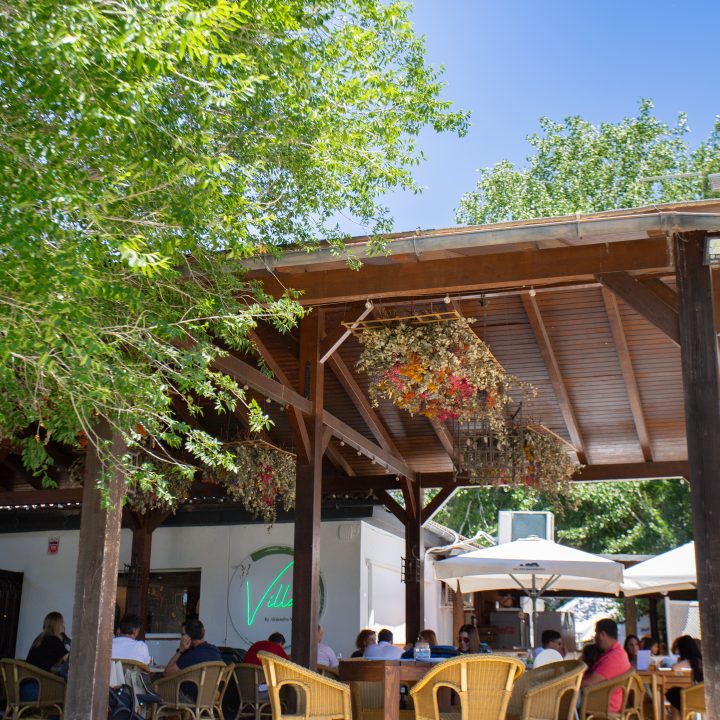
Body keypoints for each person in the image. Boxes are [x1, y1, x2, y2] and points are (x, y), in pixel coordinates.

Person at [581, 618, 631, 713]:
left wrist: (570, 684)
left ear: (602, 634)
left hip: (604, 703)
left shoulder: (613, 658)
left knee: (563, 697)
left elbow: (588, 683)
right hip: (604, 699)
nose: (594, 637)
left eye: (596, 633)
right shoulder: (616, 652)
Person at [665, 635, 702, 720]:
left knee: (673, 693)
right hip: (702, 694)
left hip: (696, 696)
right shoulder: (700, 660)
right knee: (675, 694)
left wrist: (679, 661)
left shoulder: (691, 661)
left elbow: (674, 668)